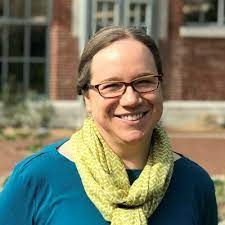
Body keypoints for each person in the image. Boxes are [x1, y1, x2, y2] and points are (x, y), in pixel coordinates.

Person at [0, 26, 218, 225]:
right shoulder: (37, 178)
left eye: (144, 81)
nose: (131, 99)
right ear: (87, 98)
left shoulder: (194, 183)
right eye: (112, 86)